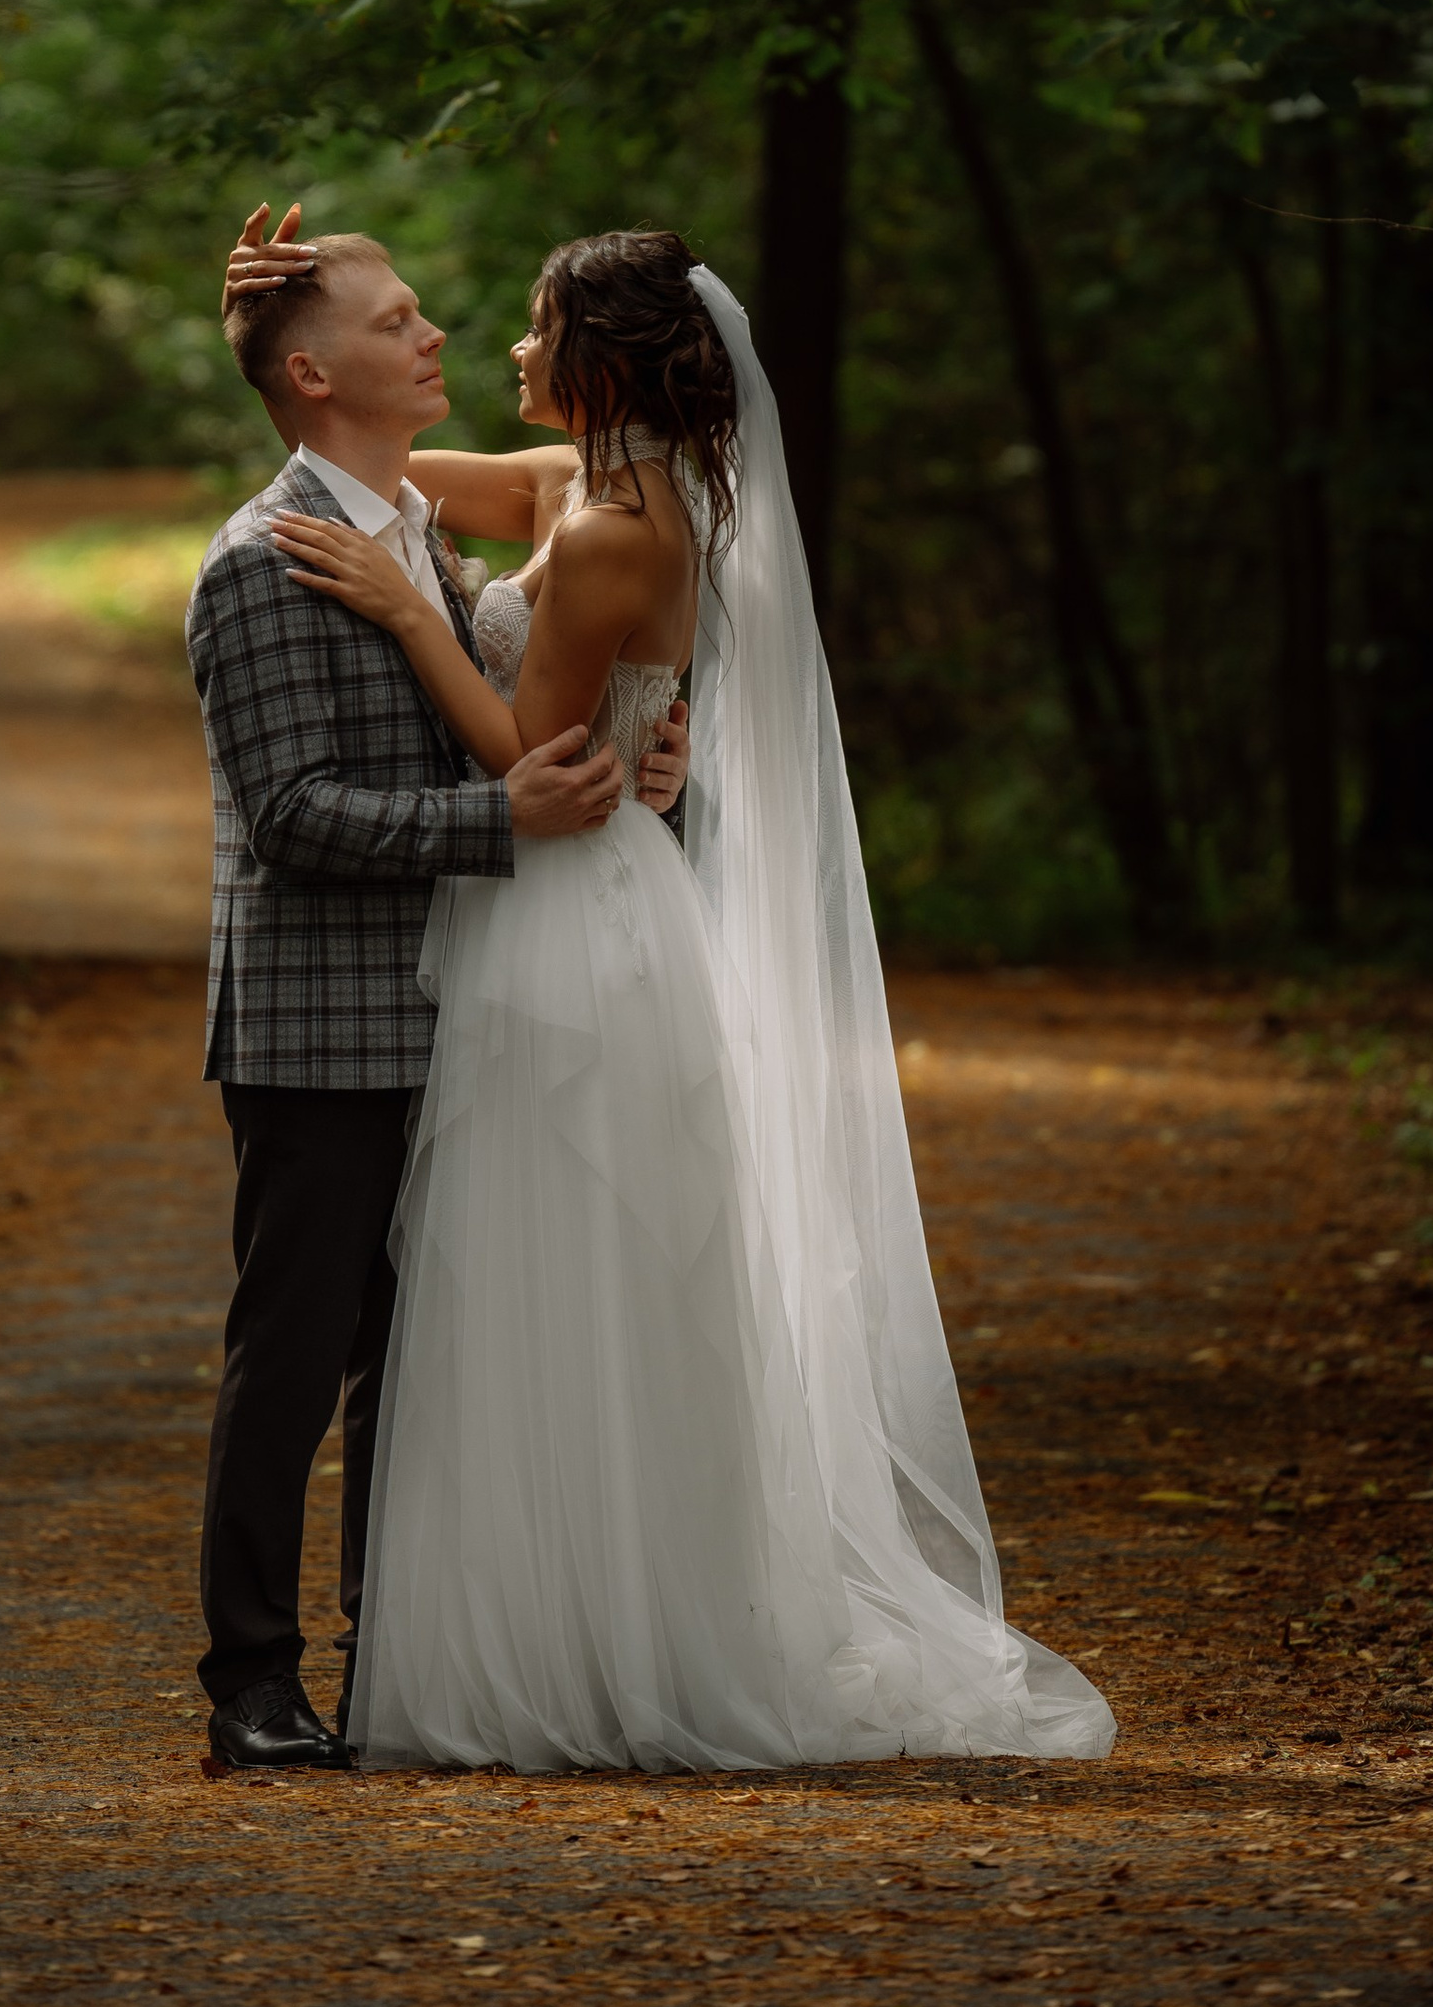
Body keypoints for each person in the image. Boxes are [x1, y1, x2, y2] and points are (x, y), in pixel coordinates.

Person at [223, 209, 1116, 1773]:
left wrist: (414, 613)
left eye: (521, 327)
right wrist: (264, 358)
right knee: (471, 1306)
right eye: (420, 321)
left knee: (535, 1288)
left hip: (569, 914)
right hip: (566, 911)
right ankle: (404, 1655)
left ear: (597, 361)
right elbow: (382, 476)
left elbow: (524, 753)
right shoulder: (583, 488)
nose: (485, 346)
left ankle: (551, 1645)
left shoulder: (617, 525)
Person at [184, 226, 691, 1773]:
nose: (436, 336)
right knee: (297, 1352)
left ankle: (393, 1661)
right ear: (318, 372)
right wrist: (504, 823)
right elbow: (294, 814)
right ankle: (251, 1685)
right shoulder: (263, 560)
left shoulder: (416, 524)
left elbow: (534, 690)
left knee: (422, 1361)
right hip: (325, 1027)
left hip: (465, 1006)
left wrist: (644, 758)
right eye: (398, 321)